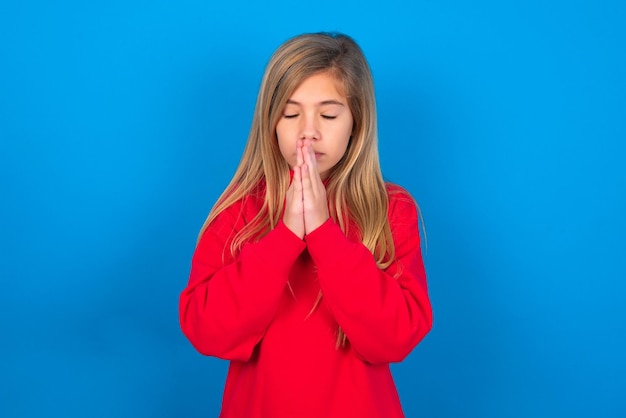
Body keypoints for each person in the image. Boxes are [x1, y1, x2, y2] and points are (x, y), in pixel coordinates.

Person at [179, 32, 433, 418]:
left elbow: (395, 338)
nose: (308, 131)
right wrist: (284, 237)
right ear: (271, 122)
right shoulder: (239, 211)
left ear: (356, 124)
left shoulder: (392, 209)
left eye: (329, 115)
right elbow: (207, 331)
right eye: (291, 113)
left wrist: (323, 233)